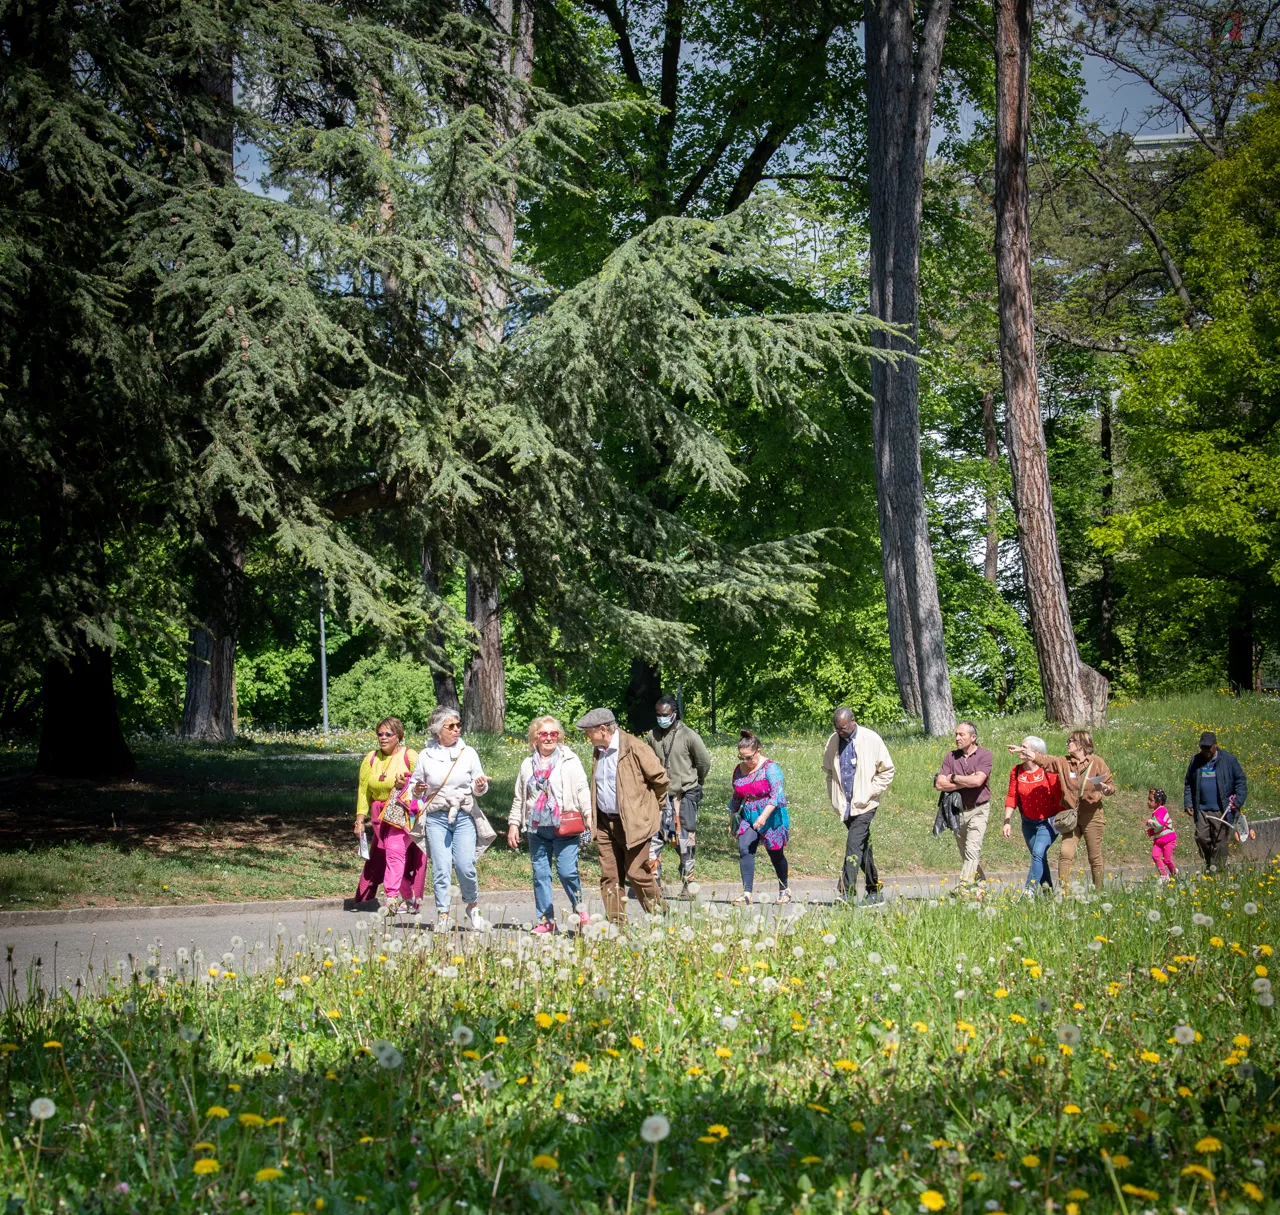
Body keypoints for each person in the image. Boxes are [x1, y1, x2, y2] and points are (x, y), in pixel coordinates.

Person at [577, 707, 668, 924]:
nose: (586, 736)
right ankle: (617, 925)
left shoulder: (635, 748)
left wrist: (651, 811)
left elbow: (661, 780)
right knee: (610, 876)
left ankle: (659, 917)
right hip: (605, 824)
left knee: (637, 873)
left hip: (634, 825)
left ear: (602, 729)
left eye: (588, 731)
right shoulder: (599, 750)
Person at [409, 705, 496, 932]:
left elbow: (479, 788)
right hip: (436, 817)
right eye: (451, 726)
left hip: (464, 815)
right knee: (441, 867)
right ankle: (443, 913)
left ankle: (472, 906)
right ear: (438, 730)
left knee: (465, 865)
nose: (457, 729)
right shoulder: (425, 756)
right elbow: (413, 789)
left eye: (458, 725)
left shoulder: (469, 753)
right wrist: (418, 789)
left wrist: (480, 785)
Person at [508, 715, 592, 933]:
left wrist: (589, 814)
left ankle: (580, 910)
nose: (548, 738)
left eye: (553, 733)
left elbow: (582, 788)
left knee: (566, 872)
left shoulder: (570, 760)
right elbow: (520, 796)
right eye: (543, 734)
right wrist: (514, 824)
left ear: (559, 737)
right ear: (535, 738)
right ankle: (546, 921)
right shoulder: (527, 764)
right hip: (537, 828)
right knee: (541, 875)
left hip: (564, 825)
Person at [1008, 730, 1115, 889]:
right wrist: (1024, 751)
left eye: (1070, 741)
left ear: (1080, 744)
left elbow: (1111, 788)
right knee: (1065, 854)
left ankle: (1099, 891)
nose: (1066, 743)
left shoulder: (1097, 762)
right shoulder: (1063, 762)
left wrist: (1105, 788)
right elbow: (1043, 760)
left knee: (1094, 856)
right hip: (1070, 816)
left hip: (1092, 815)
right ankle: (1065, 894)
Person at [822, 707, 896, 905]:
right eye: (837, 728)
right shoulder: (833, 740)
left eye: (844, 728)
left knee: (853, 845)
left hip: (866, 804)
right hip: (845, 805)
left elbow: (887, 770)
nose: (840, 731)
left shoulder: (871, 739)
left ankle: (847, 892)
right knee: (863, 847)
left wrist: (870, 791)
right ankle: (875, 890)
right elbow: (829, 771)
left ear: (853, 721)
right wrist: (835, 799)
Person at [643, 694, 712, 898]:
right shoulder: (652, 736)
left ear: (674, 714)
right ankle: (655, 884)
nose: (661, 718)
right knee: (654, 840)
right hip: (659, 797)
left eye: (665, 714)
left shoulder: (689, 735)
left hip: (685, 796)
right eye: (658, 715)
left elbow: (704, 762)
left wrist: (696, 783)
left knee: (685, 842)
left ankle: (688, 885)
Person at [352, 717, 424, 910]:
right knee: (390, 856)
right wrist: (360, 820)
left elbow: (422, 783)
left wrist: (405, 785)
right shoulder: (371, 758)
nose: (383, 738)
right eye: (380, 734)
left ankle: (391, 898)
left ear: (398, 736)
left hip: (403, 813)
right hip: (380, 816)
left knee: (394, 852)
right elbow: (363, 790)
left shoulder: (409, 755)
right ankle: (409, 898)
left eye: (388, 734)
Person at [728, 729, 792, 905]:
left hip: (770, 815)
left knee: (775, 853)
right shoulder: (739, 770)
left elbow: (776, 796)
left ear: (758, 750)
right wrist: (732, 818)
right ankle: (747, 893)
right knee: (745, 849)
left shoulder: (771, 768)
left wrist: (763, 817)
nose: (746, 761)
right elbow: (736, 795)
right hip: (748, 814)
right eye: (742, 758)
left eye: (749, 757)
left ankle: (784, 889)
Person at [933, 721, 993, 889]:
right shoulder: (950, 756)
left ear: (973, 737)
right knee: (966, 854)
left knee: (972, 850)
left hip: (979, 810)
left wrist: (952, 778)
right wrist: (966, 781)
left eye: (961, 735)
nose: (957, 738)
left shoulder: (985, 755)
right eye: (956, 735)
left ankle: (964, 887)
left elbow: (978, 780)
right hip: (957, 812)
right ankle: (981, 886)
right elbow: (939, 785)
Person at [1001, 735, 1060, 892]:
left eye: (1024, 747)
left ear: (1036, 752)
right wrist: (1007, 821)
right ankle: (1048, 893)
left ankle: (1029, 890)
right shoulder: (1017, 770)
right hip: (1028, 823)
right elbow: (1012, 796)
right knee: (1039, 857)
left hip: (1048, 822)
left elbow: (1060, 797)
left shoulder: (1049, 771)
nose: (1020, 749)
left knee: (1038, 853)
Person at [1183, 730, 1248, 872]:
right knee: (1201, 838)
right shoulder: (1195, 761)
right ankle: (1210, 862)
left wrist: (1237, 802)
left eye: (1207, 747)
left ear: (1215, 745)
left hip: (1222, 809)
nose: (1204, 750)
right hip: (1201, 808)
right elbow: (1188, 783)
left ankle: (1218, 872)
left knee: (1220, 843)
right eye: (1202, 747)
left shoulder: (1229, 760)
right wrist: (1188, 803)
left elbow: (1241, 781)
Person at [1146, 786, 1178, 881]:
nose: (1148, 802)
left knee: (1167, 859)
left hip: (1168, 840)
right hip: (1159, 840)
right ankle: (1164, 875)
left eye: (1150, 800)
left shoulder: (1162, 810)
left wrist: (1148, 823)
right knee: (1155, 856)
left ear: (1159, 802)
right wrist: (1151, 831)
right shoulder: (1155, 812)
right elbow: (1158, 828)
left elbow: (1159, 824)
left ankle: (1174, 872)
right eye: (1148, 799)